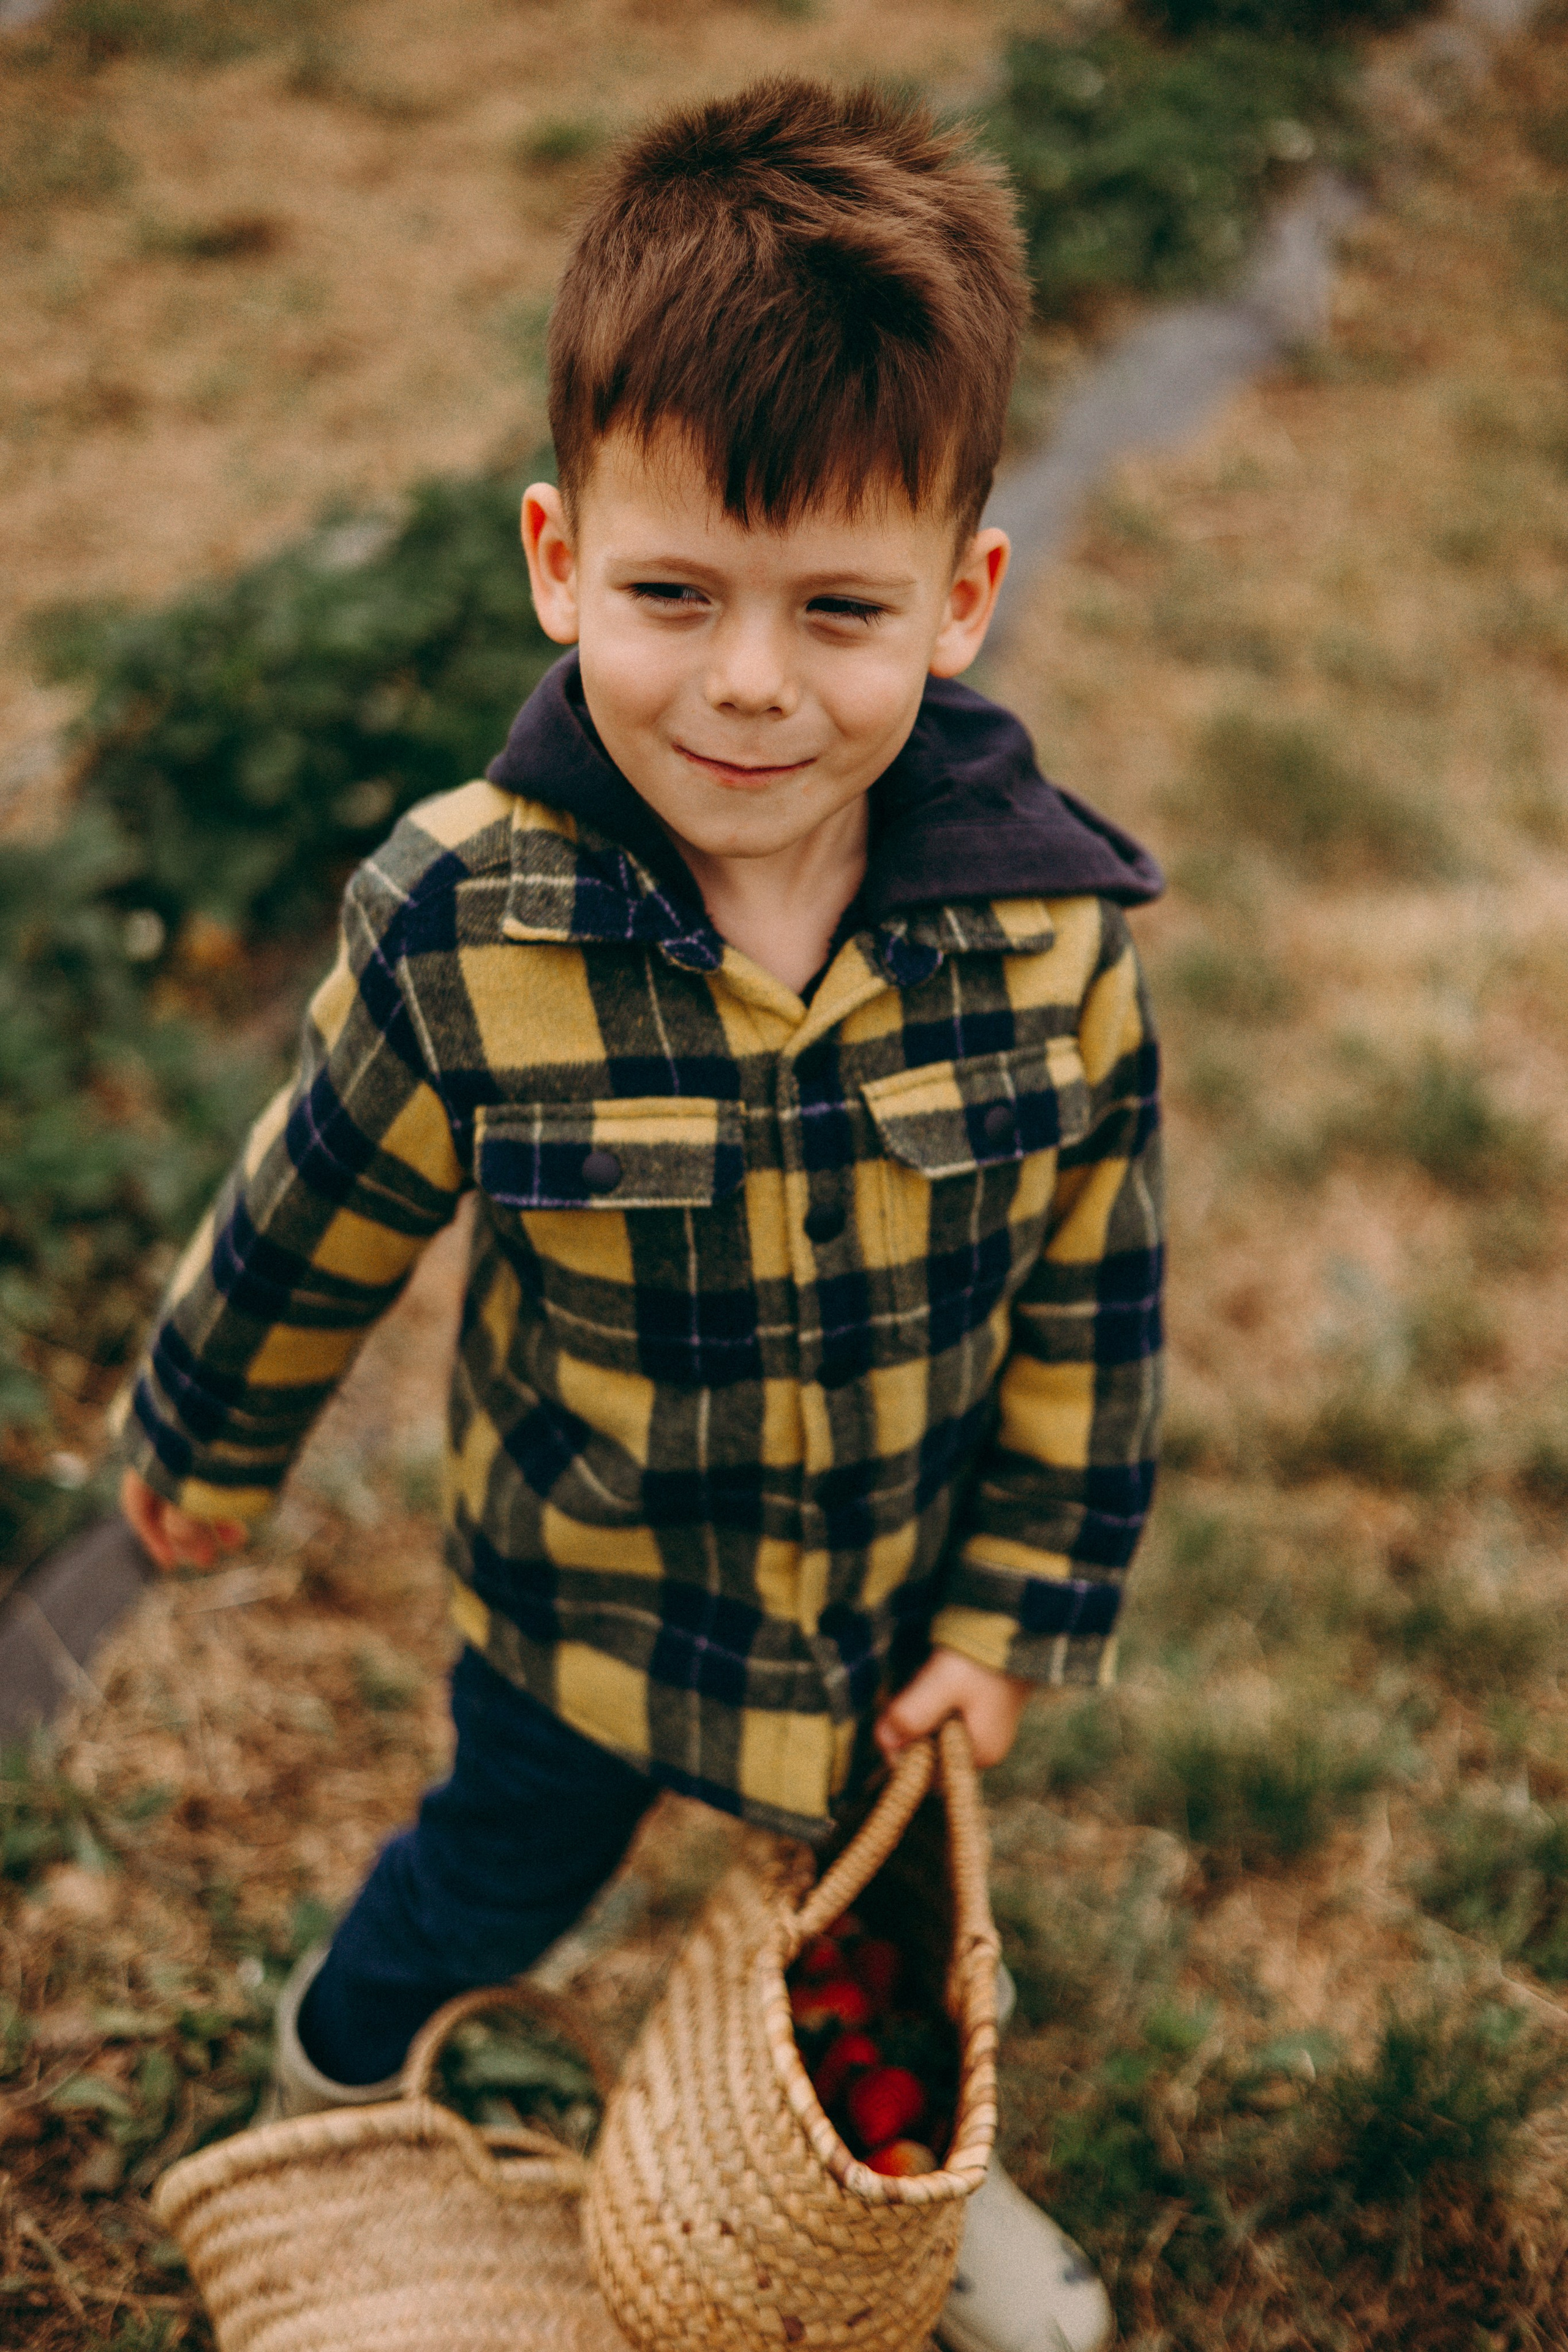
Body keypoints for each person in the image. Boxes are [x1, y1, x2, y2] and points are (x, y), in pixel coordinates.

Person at [117, 75, 1163, 2352]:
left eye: (839, 607)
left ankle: (886, 2180)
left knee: (879, 1934)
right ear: (557, 557)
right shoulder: (467, 922)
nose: (751, 680)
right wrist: (202, 1454)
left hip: (889, 1605)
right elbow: (312, 1217)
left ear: (962, 599)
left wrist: (1015, 1606)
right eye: (674, 592)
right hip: (587, 1598)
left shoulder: (1049, 943)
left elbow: (1096, 1300)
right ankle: (336, 2085)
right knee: (491, 1875)